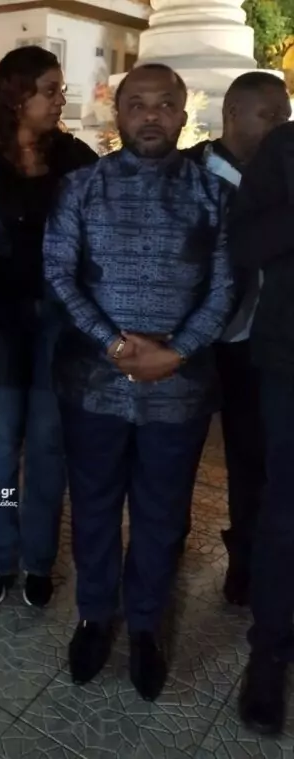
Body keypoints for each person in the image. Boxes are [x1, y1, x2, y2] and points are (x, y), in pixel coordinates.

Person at [44, 63, 234, 701]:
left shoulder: (215, 196)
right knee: (94, 505)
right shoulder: (80, 187)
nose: (151, 115)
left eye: (164, 104)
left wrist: (177, 351)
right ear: (117, 113)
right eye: (137, 104)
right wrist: (114, 344)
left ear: (183, 114)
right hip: (93, 384)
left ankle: (147, 623)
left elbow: (227, 286)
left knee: (163, 513)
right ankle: (96, 615)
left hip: (178, 390)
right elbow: (59, 272)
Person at [0, 46, 97, 608]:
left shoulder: (76, 158)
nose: (60, 100)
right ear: (16, 95)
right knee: (2, 438)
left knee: (50, 442)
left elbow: (96, 236)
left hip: (61, 317)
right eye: (50, 90)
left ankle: (38, 561)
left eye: (60, 90)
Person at [182, 72, 290, 606]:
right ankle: (167, 551)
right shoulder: (190, 172)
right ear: (231, 114)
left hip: (258, 345)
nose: (280, 126)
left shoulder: (283, 177)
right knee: (178, 455)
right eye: (268, 115)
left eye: (285, 116)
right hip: (192, 343)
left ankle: (245, 561)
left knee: (253, 461)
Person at [228, 118, 294, 734]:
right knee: (285, 512)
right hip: (289, 359)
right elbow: (246, 243)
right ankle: (270, 651)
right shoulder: (285, 147)